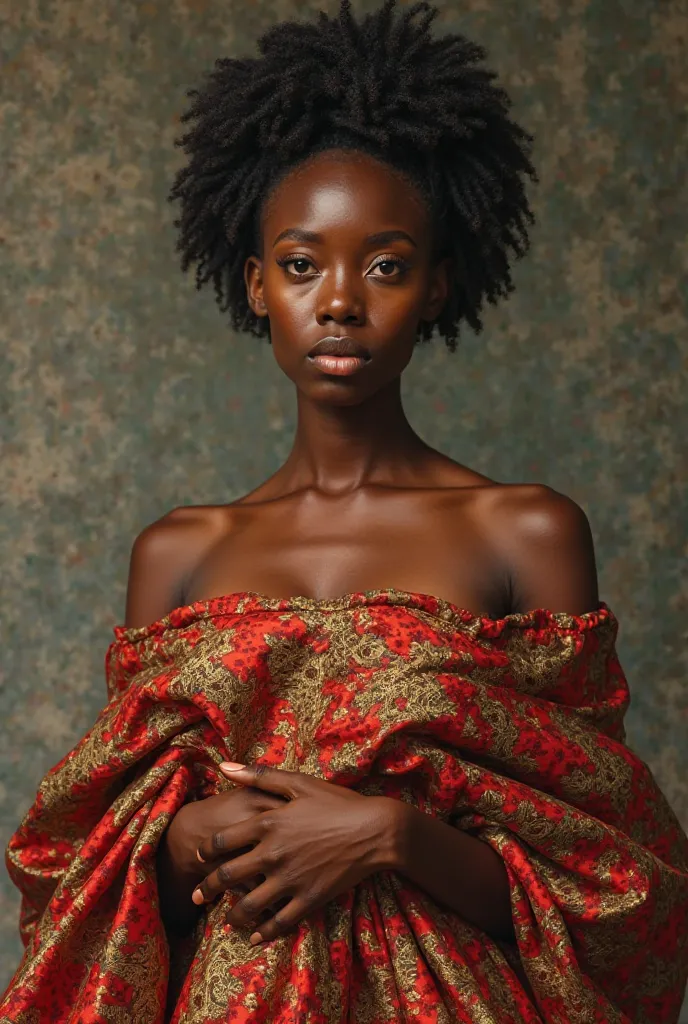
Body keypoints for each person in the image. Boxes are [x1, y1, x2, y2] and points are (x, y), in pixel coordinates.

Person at [2, 1, 687, 1021]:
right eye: (299, 264)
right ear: (255, 286)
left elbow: (608, 892)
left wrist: (389, 837)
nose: (338, 301)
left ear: (438, 285)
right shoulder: (179, 552)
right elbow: (88, 877)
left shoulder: (526, 532)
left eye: (385, 264)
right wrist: (179, 838)